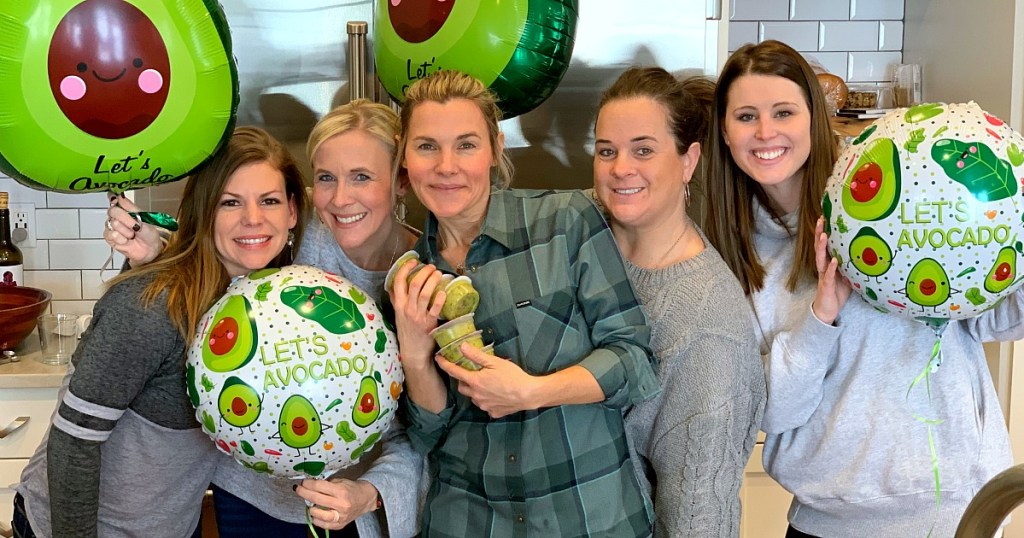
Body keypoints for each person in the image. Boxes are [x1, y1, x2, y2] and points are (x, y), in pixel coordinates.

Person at [703, 39, 1024, 537]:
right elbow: (774, 413)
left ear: (814, 117)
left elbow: (1000, 318)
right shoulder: (734, 257)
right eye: (746, 116)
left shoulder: (898, 201)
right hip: (828, 523)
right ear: (724, 133)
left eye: (783, 112)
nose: (765, 132)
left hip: (953, 512)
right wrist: (821, 314)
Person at [103, 100, 423, 537]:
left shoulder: (422, 279)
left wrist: (368, 493)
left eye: (362, 177)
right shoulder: (298, 220)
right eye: (325, 178)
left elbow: (426, 429)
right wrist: (153, 253)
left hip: (351, 503)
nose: (341, 197)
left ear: (400, 181)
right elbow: (218, 241)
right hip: (247, 490)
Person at [388, 69, 660, 537]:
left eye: (466, 145)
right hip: (470, 520)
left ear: (495, 148)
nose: (446, 166)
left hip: (589, 517)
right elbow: (427, 435)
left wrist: (531, 391)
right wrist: (414, 354)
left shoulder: (564, 223)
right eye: (427, 146)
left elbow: (635, 361)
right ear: (405, 157)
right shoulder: (409, 278)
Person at [13, 126, 308, 538]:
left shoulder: (269, 306)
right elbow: (73, 443)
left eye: (270, 201)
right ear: (204, 213)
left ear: (292, 212)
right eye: (230, 202)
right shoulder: (150, 306)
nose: (253, 219)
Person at [592, 66, 765, 537]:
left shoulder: (708, 327)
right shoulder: (582, 229)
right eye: (606, 150)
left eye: (643, 150)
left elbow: (697, 517)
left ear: (689, 161)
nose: (620, 168)